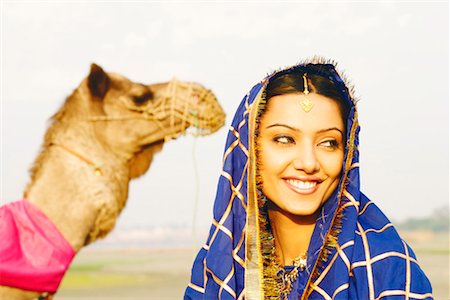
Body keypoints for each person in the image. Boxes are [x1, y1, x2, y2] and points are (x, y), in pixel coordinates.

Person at [185, 57, 432, 299]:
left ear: (346, 155)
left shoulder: (383, 267)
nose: (308, 163)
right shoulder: (220, 261)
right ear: (248, 148)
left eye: (328, 143)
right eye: (284, 139)